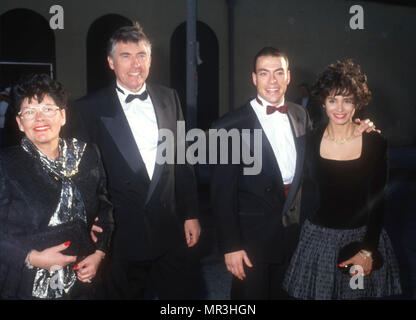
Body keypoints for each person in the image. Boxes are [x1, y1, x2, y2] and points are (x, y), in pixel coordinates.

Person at [210, 47, 375, 300]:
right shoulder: (227, 125)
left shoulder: (301, 115)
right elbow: (221, 194)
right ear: (254, 78)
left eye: (279, 73)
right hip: (253, 239)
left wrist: (357, 128)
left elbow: (325, 147)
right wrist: (231, 246)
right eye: (264, 74)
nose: (272, 81)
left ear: (289, 76)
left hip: (296, 235)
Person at [66, 22, 201, 299]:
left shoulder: (170, 98)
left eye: (141, 55)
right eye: (125, 56)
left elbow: (182, 162)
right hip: (120, 236)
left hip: (169, 229)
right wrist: (86, 220)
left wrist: (190, 213)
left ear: (150, 60)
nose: (135, 64)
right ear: (111, 62)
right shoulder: (88, 108)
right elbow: (78, 174)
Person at [283, 59, 402, 299]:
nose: (340, 108)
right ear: (323, 103)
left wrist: (367, 251)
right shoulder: (309, 140)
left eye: (347, 100)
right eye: (332, 99)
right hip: (318, 241)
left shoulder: (374, 142)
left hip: (362, 240)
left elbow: (378, 203)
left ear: (357, 104)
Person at [0, 74, 114, 299]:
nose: (40, 118)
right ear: (20, 123)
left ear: (62, 116)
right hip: (24, 282)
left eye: (48, 109)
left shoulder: (87, 155)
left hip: (83, 282)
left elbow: (104, 207)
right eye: (30, 112)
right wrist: (30, 257)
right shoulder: (6, 165)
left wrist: (100, 253)